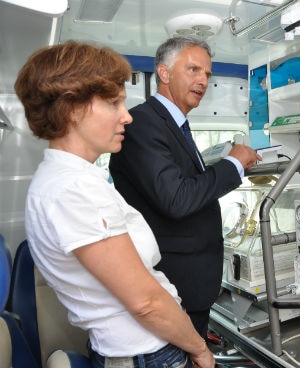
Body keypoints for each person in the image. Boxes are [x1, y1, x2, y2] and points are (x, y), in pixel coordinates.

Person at [15, 41, 215, 368]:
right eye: (113, 103)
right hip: (148, 352)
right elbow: (145, 303)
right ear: (71, 109)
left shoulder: (72, 176)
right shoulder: (73, 188)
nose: (126, 116)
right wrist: (199, 348)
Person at [108, 36, 261, 338]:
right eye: (193, 70)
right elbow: (176, 198)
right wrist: (232, 164)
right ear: (164, 74)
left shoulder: (175, 126)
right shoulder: (143, 123)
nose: (203, 80)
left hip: (192, 287)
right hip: (172, 285)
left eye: (207, 73)